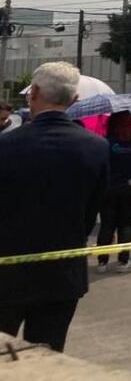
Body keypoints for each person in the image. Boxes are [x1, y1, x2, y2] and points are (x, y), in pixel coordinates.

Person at [0, 63, 108, 352]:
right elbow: (91, 213)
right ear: (73, 100)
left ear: (33, 93)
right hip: (63, 271)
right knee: (47, 355)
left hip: (7, 271)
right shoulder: (96, 147)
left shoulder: (6, 146)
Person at [96, 111, 131, 273]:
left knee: (106, 225)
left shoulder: (105, 143)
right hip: (130, 189)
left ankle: (102, 262)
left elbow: (100, 168)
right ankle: (123, 261)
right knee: (126, 225)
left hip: (108, 189)